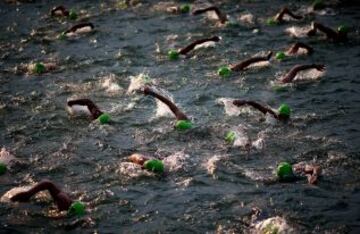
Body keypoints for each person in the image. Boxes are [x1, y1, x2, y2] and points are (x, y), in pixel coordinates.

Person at [8, 179, 86, 216]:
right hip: (37, 188)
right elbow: (47, 183)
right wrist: (29, 193)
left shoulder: (66, 203)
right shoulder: (63, 201)